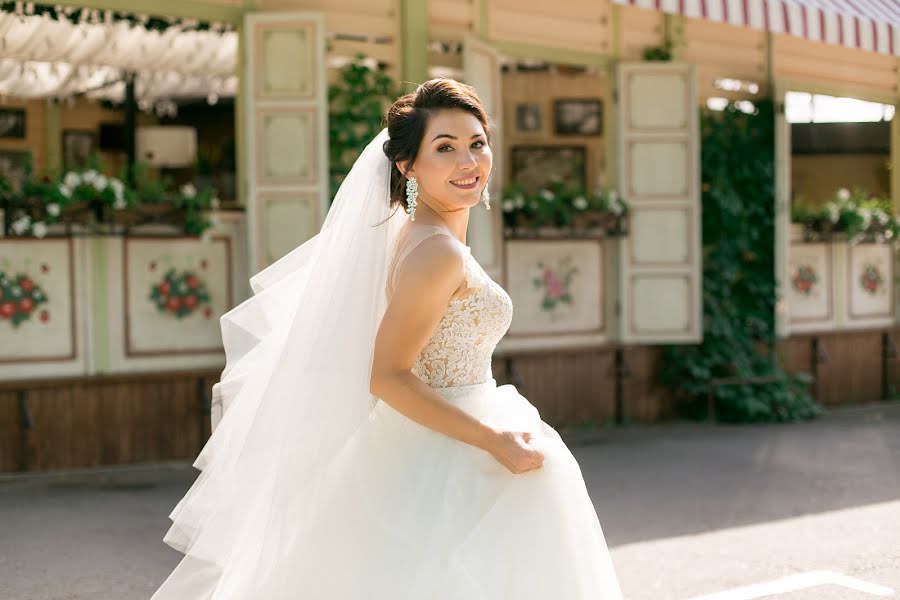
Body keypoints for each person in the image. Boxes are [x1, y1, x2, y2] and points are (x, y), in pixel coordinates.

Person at [150, 78, 624, 599]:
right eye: (444, 148)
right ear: (407, 166)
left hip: (432, 436)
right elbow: (387, 374)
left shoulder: (412, 235)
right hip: (450, 450)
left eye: (477, 143)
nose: (469, 161)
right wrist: (494, 442)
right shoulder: (435, 252)